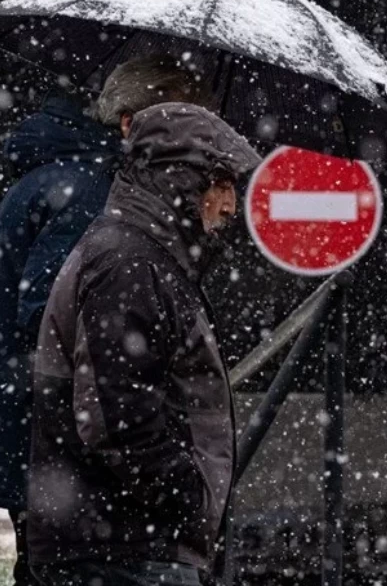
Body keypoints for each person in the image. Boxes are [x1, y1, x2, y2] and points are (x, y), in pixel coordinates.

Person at [0, 55, 213, 586]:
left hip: (38, 439)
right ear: (129, 124)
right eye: (176, 121)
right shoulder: (90, 193)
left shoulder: (67, 178)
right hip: (59, 450)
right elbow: (54, 316)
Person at [24, 102, 261, 586]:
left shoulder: (139, 257)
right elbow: (116, 418)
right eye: (221, 184)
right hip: (124, 550)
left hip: (119, 543)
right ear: (183, 181)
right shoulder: (131, 264)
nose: (231, 205)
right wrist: (189, 498)